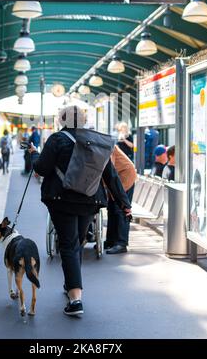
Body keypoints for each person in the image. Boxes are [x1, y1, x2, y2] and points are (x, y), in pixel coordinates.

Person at [29, 105, 131, 317]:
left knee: (68, 245)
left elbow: (41, 169)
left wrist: (33, 156)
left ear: (63, 119)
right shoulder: (96, 142)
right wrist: (124, 204)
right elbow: (110, 176)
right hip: (89, 201)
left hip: (61, 200)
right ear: (83, 120)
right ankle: (70, 286)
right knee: (77, 243)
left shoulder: (57, 139)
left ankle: (76, 300)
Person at [105, 145, 137, 254]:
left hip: (125, 175)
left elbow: (110, 168)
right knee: (111, 208)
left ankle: (121, 243)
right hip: (116, 177)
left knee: (120, 208)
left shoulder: (106, 146)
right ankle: (111, 241)